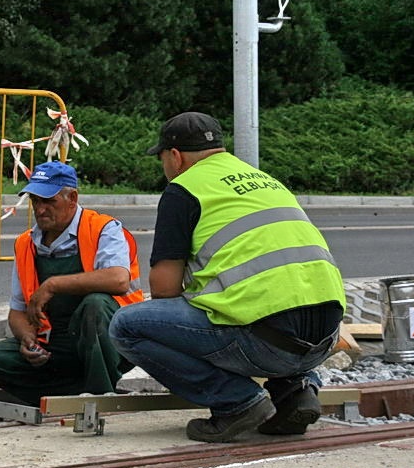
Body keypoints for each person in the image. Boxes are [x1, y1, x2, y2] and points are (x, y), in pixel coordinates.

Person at [109, 112, 346, 443]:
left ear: (175, 157)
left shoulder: (183, 189)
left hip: (265, 342)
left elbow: (163, 289)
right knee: (264, 306)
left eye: (162, 158)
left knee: (126, 326)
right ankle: (297, 390)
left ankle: (237, 403)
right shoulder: (265, 180)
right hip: (324, 340)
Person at [0, 161, 143, 406]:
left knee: (95, 304)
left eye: (49, 201)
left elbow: (118, 279)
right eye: (36, 201)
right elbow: (17, 312)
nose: (40, 209)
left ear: (72, 198)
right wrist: (27, 339)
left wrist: (53, 284)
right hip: (57, 346)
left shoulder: (103, 229)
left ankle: (98, 398)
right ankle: (73, 392)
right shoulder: (26, 243)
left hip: (112, 340)